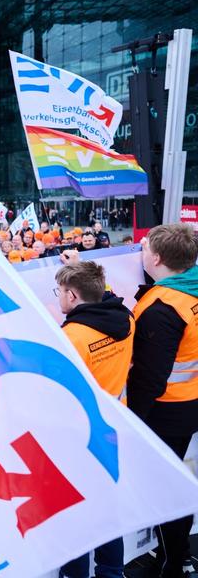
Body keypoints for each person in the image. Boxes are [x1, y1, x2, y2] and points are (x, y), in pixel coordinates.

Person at [55, 262, 134, 578]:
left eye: (59, 292)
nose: (58, 297)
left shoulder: (71, 336)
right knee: (106, 512)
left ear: (72, 295)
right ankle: (113, 572)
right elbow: (107, 295)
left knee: (75, 515)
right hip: (115, 430)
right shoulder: (125, 318)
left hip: (80, 440)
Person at [128, 224, 198, 577]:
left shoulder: (162, 308)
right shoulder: (191, 286)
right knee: (174, 480)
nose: (140, 254)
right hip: (190, 404)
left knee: (165, 487)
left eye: (144, 250)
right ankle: (178, 554)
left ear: (156, 258)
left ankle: (176, 560)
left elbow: (149, 377)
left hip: (166, 413)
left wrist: (131, 421)